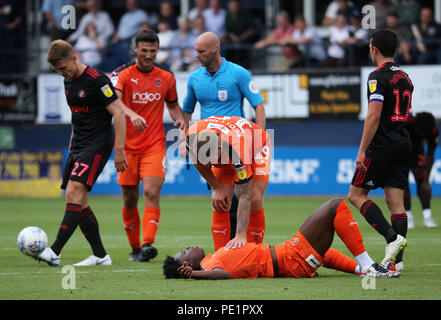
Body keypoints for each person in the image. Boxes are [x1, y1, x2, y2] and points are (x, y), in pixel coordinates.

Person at [35, 39, 128, 266]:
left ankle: (55, 250)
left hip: (96, 145)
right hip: (78, 146)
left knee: (73, 193)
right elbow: (77, 118)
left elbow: (118, 113)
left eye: (62, 67)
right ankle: (100, 255)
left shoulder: (98, 81)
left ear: (73, 57)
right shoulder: (68, 81)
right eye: (56, 70)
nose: (60, 73)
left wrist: (119, 150)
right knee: (81, 202)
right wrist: (71, 147)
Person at [163, 198, 400, 279]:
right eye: (184, 252)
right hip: (289, 258)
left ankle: (364, 270)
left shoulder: (213, 256)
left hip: (289, 256)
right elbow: (222, 274)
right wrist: (194, 275)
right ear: (187, 265)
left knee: (320, 255)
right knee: (336, 206)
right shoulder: (207, 265)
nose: (188, 247)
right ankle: (369, 267)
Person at [110, 29, 187, 262]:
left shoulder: (166, 77)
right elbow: (114, 101)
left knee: (152, 192)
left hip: (154, 145)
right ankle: (134, 248)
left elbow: (173, 105)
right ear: (136, 49)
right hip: (127, 147)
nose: (149, 55)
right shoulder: (122, 74)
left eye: (153, 51)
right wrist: (131, 115)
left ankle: (146, 244)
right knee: (129, 198)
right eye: (144, 50)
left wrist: (180, 118)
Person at [182, 32, 266, 243]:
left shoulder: (238, 74)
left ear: (215, 50)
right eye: (195, 51)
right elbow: (187, 110)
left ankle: (250, 250)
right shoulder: (194, 78)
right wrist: (185, 138)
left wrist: (258, 137)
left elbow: (259, 105)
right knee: (222, 201)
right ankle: (224, 254)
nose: (196, 55)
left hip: (239, 142)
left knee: (251, 198)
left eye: (201, 51)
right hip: (211, 146)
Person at [347, 29, 412, 270]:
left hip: (382, 145)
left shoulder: (376, 77)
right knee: (396, 203)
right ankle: (397, 263)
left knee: (356, 194)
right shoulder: (405, 77)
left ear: (374, 49)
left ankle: (392, 239)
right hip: (403, 142)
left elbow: (373, 116)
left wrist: (362, 150)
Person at [183, 116, 270, 252]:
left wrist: (240, 234)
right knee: (220, 201)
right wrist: (216, 187)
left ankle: (255, 253)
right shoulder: (192, 136)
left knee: (254, 198)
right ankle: (220, 256)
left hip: (257, 146)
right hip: (225, 148)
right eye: (207, 161)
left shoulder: (238, 150)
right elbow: (196, 160)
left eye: (212, 160)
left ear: (219, 148)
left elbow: (244, 196)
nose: (210, 164)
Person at [404, 112, 439, 230]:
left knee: (422, 182)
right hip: (401, 152)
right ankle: (408, 218)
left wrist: (427, 180)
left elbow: (430, 155)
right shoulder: (406, 123)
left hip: (417, 153)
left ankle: (427, 217)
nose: (424, 137)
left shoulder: (433, 131)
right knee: (403, 185)